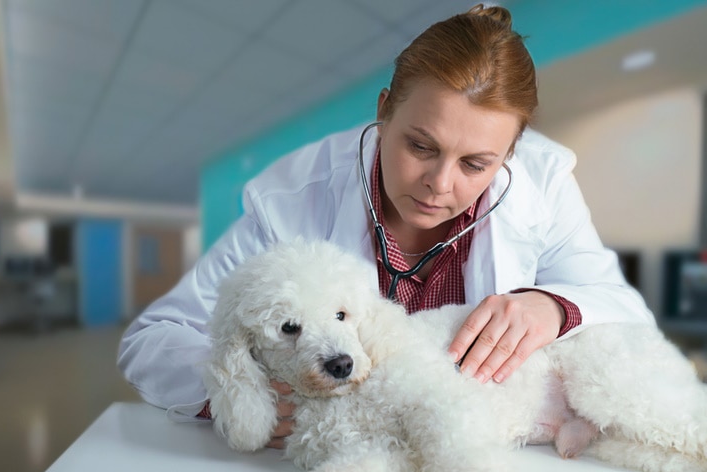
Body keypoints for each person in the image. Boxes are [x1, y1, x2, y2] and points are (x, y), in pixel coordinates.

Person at [117, 4, 654, 448]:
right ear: (383, 113)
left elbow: (623, 310)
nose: (439, 184)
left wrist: (556, 306)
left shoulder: (544, 185)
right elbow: (154, 339)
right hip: (340, 452)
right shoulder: (293, 201)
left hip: (474, 446)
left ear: (510, 155)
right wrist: (240, 396)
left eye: (476, 164)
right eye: (420, 146)